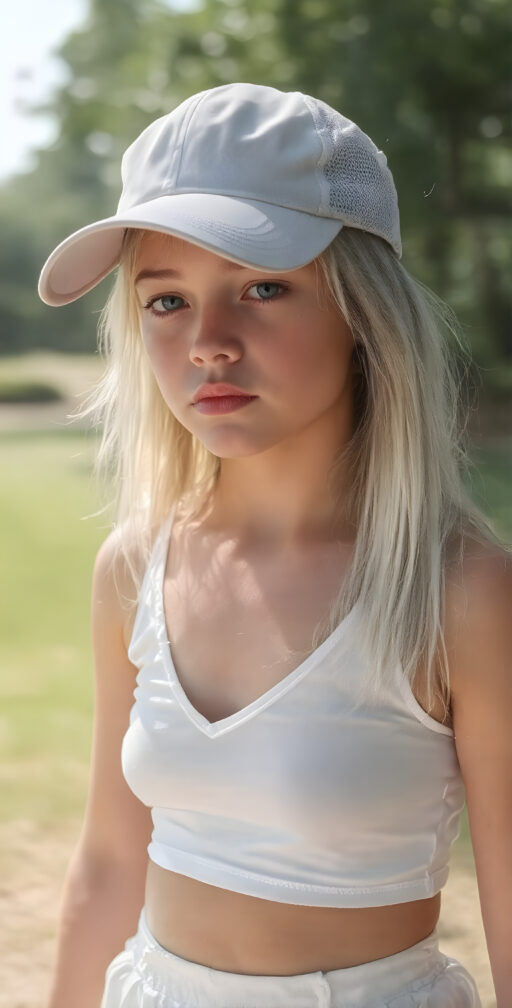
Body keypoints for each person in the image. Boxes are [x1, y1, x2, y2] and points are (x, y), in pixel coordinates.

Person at [38, 82, 511, 1008]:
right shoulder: (133, 567)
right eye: (166, 300)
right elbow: (104, 866)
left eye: (262, 287)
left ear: (362, 310)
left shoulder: (459, 592)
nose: (209, 343)